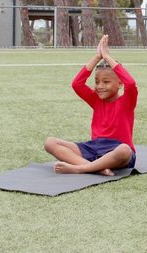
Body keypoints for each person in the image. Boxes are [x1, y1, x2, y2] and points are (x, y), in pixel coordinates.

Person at [44, 35, 137, 176]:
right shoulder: (96, 99)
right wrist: (97, 57)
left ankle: (80, 168)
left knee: (124, 150)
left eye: (106, 82)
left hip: (116, 150)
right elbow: (77, 84)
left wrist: (107, 57)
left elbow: (130, 83)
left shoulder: (126, 102)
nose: (100, 86)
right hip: (94, 148)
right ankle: (97, 168)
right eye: (97, 81)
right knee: (50, 143)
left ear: (119, 84)